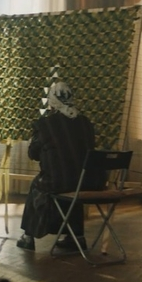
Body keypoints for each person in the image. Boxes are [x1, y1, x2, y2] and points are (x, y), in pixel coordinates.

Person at [17, 82, 96, 251]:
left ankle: (28, 237)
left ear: (52, 102)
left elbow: (33, 154)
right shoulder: (85, 123)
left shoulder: (45, 124)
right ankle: (76, 236)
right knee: (74, 181)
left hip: (58, 182)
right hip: (89, 182)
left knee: (38, 184)